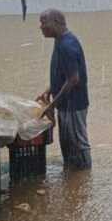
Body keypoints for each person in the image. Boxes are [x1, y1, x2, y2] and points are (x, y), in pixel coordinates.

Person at [37, 9, 91, 170]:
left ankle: (84, 178)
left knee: (78, 144)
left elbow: (73, 79)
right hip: (65, 104)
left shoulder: (67, 45)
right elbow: (64, 73)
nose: (41, 27)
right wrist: (49, 89)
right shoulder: (60, 40)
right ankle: (73, 179)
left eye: (44, 22)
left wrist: (51, 105)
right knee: (68, 143)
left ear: (57, 23)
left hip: (73, 105)